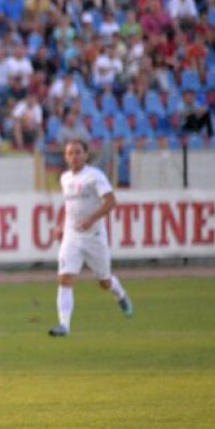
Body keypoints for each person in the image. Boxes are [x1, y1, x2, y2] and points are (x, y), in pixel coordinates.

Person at [48, 138, 133, 337]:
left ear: (86, 154)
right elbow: (69, 207)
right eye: (70, 153)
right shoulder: (64, 178)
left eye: (78, 152)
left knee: (104, 281)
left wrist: (90, 219)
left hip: (94, 236)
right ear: (65, 157)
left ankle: (120, 294)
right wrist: (61, 225)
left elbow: (111, 201)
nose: (74, 156)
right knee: (65, 278)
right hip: (72, 235)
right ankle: (64, 326)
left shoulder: (95, 176)